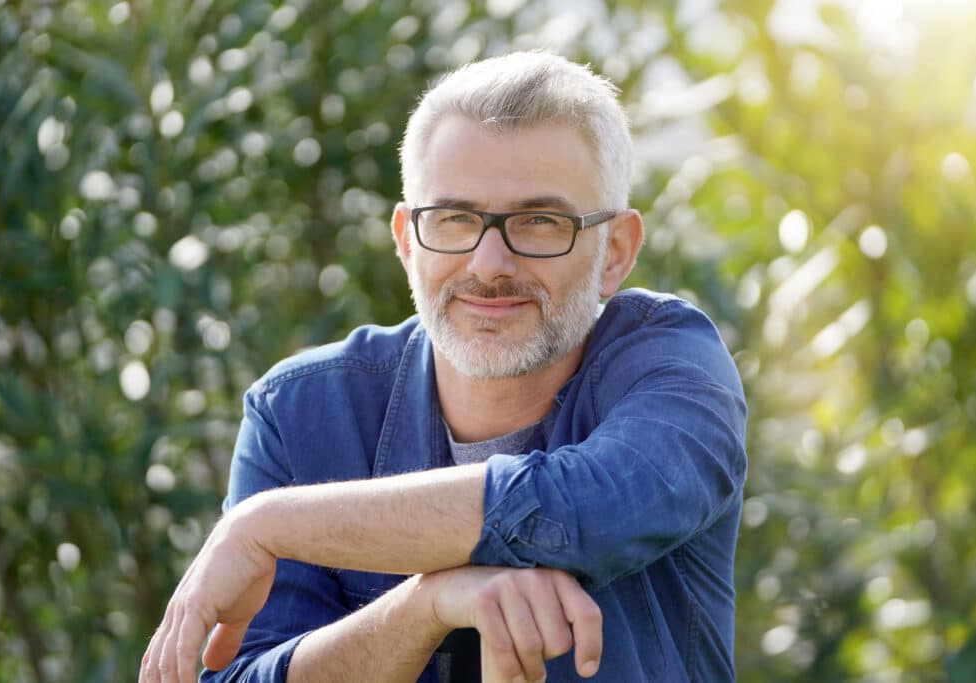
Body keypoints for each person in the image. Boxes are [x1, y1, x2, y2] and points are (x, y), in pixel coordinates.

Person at [139, 50, 747, 683]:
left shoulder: (671, 363)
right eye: (454, 219)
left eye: (539, 222)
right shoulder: (299, 413)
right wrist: (425, 606)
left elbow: (587, 506)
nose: (489, 264)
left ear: (616, 252)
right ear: (406, 241)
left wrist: (268, 525)